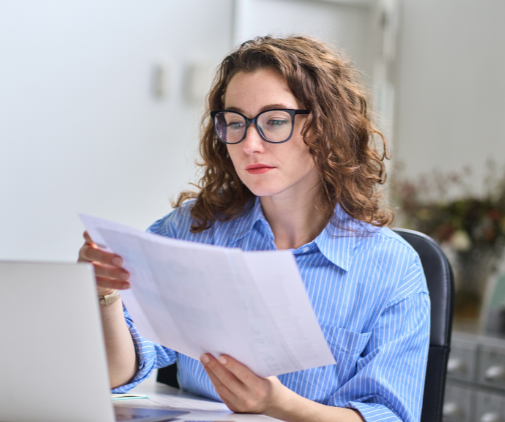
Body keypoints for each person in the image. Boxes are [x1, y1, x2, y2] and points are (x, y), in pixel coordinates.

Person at [78, 35, 430, 422]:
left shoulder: (393, 267)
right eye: (234, 122)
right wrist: (105, 295)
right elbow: (115, 375)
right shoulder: (192, 228)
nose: (249, 144)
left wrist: (278, 404)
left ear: (325, 127)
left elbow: (391, 417)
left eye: (274, 121)